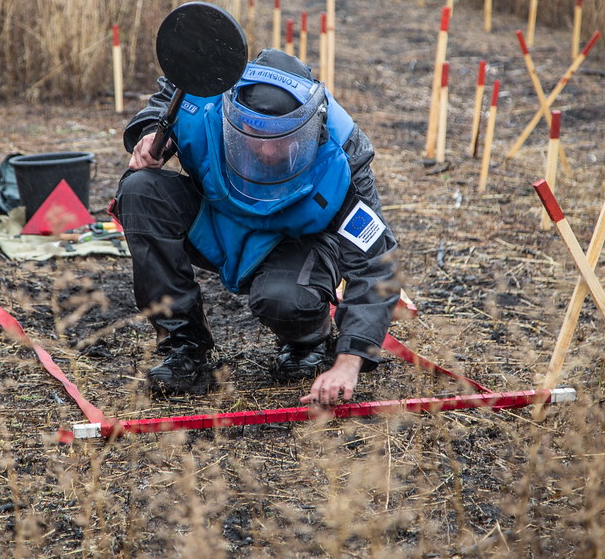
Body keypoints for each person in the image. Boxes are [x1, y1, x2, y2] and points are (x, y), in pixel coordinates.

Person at [111, 48, 399, 406]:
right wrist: (154, 133)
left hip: (296, 241)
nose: (265, 151)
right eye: (251, 133)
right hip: (217, 220)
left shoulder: (342, 156)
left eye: (280, 140)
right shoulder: (203, 103)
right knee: (141, 189)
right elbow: (167, 101)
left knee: (284, 300)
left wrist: (349, 360)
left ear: (311, 125)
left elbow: (376, 262)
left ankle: (308, 339)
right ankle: (184, 346)